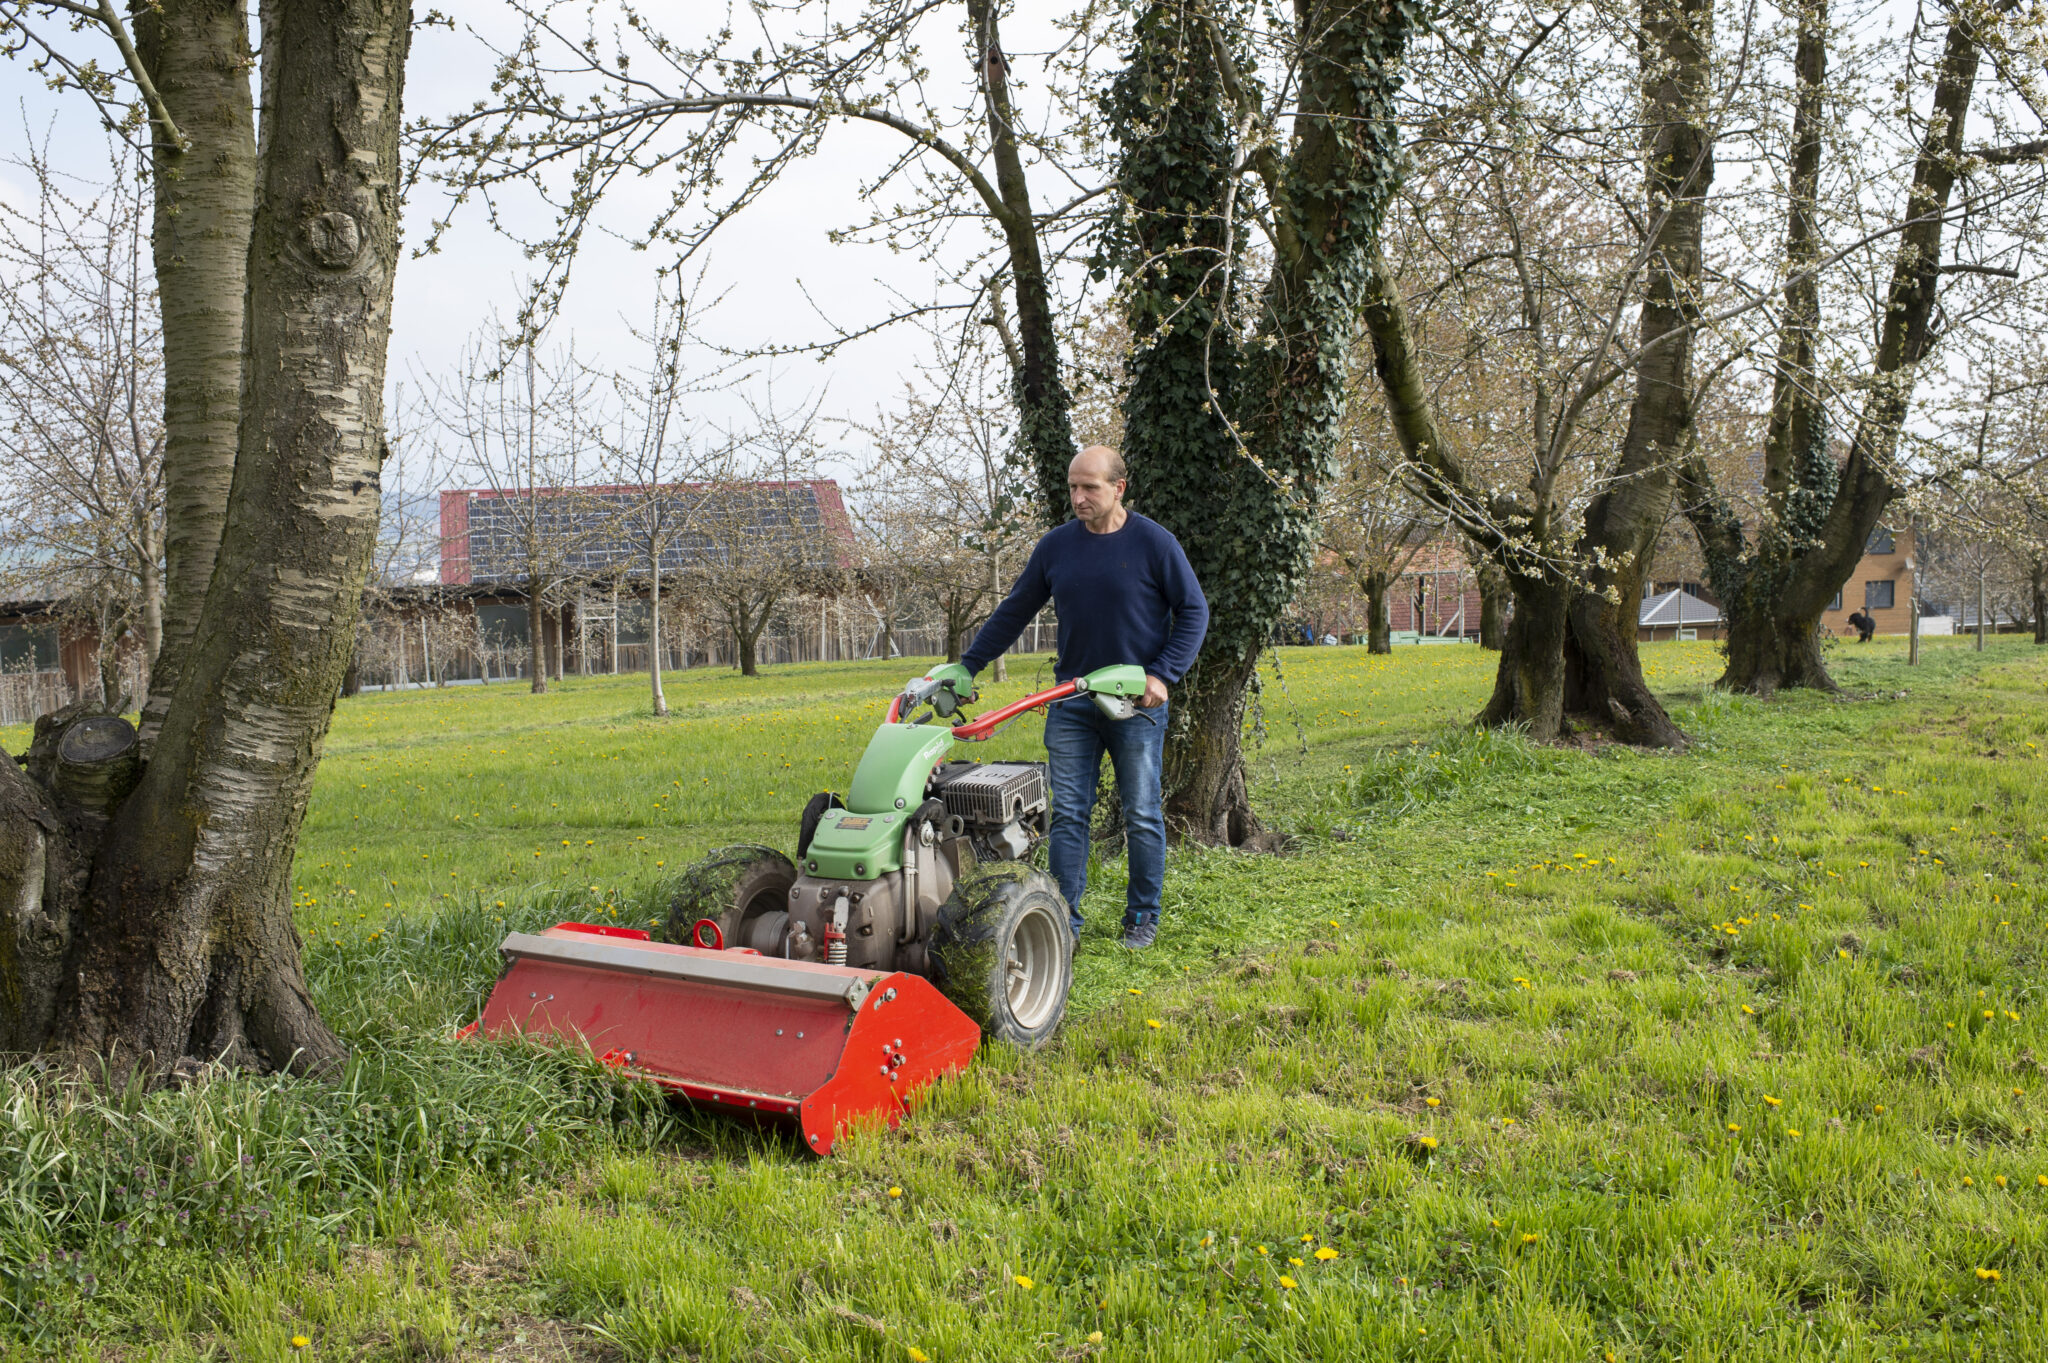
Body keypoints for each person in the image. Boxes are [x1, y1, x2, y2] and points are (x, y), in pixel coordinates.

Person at [931, 446, 1208, 950]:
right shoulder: (1057, 547)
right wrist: (968, 665)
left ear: (1119, 488)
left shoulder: (1154, 544)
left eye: (1090, 488)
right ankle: (1064, 921)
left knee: (1141, 813)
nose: (1078, 497)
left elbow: (1194, 612)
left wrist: (1162, 675)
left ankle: (1142, 917)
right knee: (1069, 815)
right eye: (1073, 488)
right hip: (1073, 702)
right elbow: (1014, 611)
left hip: (1134, 705)